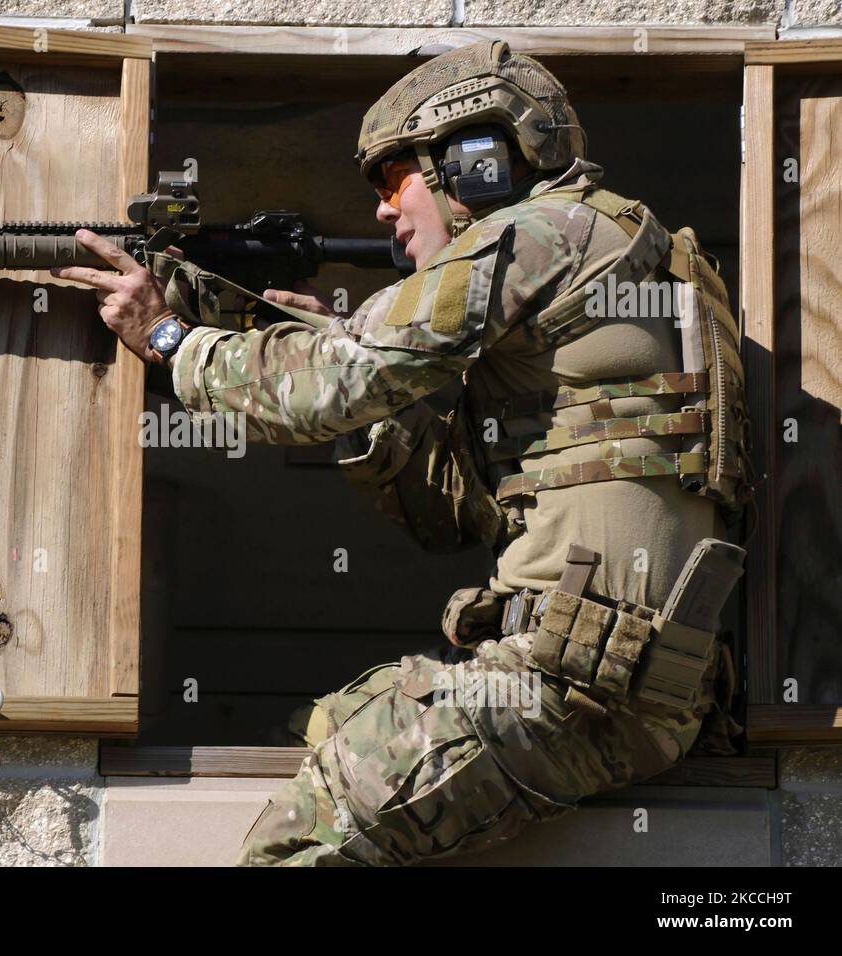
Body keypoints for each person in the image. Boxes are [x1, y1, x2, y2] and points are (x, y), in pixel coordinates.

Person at [52, 39, 752, 866]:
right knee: (317, 733)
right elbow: (449, 510)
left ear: (478, 160)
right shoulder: (635, 250)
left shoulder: (539, 233)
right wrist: (317, 344)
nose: (383, 212)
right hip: (632, 688)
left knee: (290, 846)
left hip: (564, 687)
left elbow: (335, 387)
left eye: (393, 180)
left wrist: (172, 339)